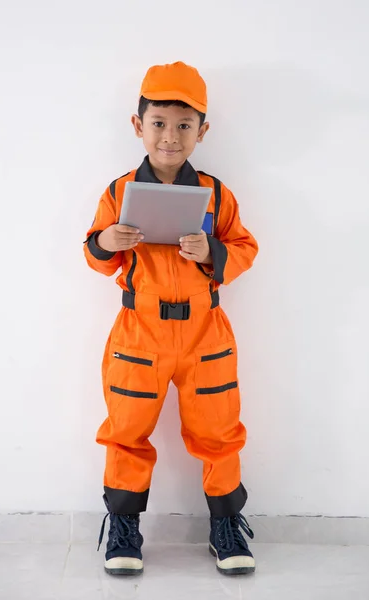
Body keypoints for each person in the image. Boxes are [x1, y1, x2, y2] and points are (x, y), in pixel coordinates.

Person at [84, 61, 258, 577]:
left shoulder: (217, 194)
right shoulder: (117, 192)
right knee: (126, 429)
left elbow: (245, 247)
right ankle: (124, 528)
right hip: (140, 333)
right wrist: (106, 242)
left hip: (206, 333)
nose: (170, 136)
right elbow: (94, 254)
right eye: (159, 122)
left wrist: (212, 253)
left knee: (219, 431)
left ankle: (226, 527)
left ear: (201, 131)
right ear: (138, 126)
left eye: (184, 125)